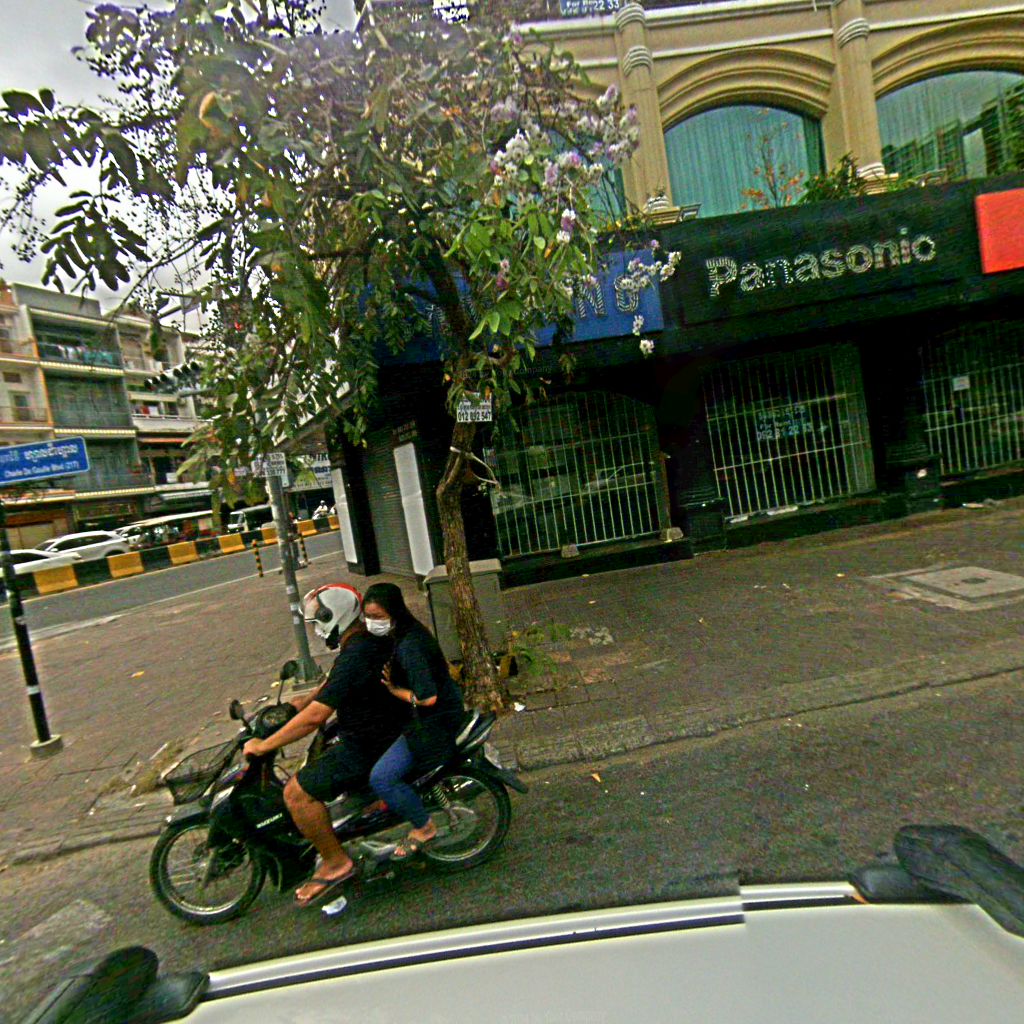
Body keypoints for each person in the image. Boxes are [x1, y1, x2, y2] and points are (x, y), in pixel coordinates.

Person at [242, 584, 403, 907]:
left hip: (369, 743)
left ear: (336, 616)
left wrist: (265, 745)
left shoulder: (355, 653)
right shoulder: (360, 643)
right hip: (377, 729)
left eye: (319, 621)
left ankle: (336, 862)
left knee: (296, 793)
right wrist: (298, 703)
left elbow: (315, 718)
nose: (316, 630)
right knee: (319, 750)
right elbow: (331, 685)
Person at [362, 582, 466, 861]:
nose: (372, 623)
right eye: (368, 616)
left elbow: (428, 697)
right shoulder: (405, 632)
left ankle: (424, 827)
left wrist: (395, 690)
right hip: (431, 713)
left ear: (394, 612)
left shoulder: (410, 646)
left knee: (382, 778)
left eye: (378, 617)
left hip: (434, 721)